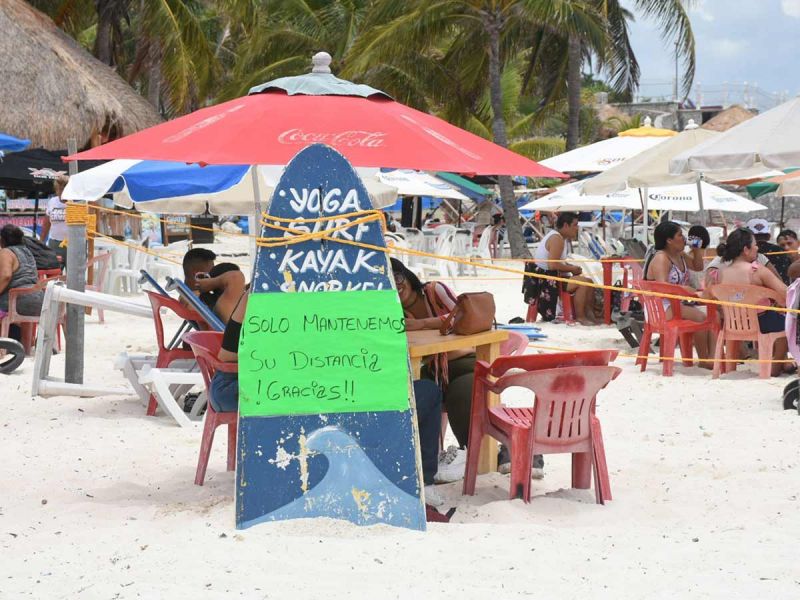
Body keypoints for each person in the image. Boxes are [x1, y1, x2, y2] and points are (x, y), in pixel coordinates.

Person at [211, 290, 447, 507]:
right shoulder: (257, 295)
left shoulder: (336, 300)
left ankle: (417, 480)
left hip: (315, 386)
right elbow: (228, 357)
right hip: (240, 384)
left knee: (425, 392)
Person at [712, 228, 791, 377]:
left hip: (732, 324)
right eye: (754, 245)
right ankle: (776, 365)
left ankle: (731, 367)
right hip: (761, 322)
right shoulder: (756, 270)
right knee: (789, 323)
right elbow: (786, 293)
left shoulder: (721, 272)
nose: (757, 248)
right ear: (746, 249)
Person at [644, 221, 714, 366]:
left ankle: (712, 358)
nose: (684, 238)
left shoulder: (679, 254)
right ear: (669, 240)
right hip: (660, 307)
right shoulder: (661, 258)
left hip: (676, 303)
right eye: (680, 235)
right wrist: (684, 290)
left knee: (714, 315)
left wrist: (697, 250)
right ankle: (704, 360)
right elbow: (662, 287)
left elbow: (697, 266)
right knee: (701, 318)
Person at [523, 212, 596, 325]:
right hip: (547, 281)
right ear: (566, 225)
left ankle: (589, 315)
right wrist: (571, 269)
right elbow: (552, 265)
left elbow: (556, 262)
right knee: (583, 284)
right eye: (575, 225)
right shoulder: (556, 239)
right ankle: (581, 317)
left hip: (550, 276)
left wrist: (570, 267)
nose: (577, 228)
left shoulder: (558, 237)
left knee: (589, 281)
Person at [0, 224, 44, 324]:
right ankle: (22, 336)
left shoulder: (6, 252)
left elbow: (6, 276)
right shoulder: (27, 252)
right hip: (38, 299)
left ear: (2, 240)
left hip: (18, 300)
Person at [748, 218, 791, 284]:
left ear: (747, 237)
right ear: (768, 236)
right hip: (782, 288)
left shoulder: (746, 253)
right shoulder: (781, 251)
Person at [39, 175, 69, 268]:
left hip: (73, 243)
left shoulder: (77, 202)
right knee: (55, 272)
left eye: (64, 188)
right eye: (59, 189)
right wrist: (41, 241)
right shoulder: (52, 201)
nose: (61, 191)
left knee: (74, 274)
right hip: (55, 243)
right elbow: (46, 223)